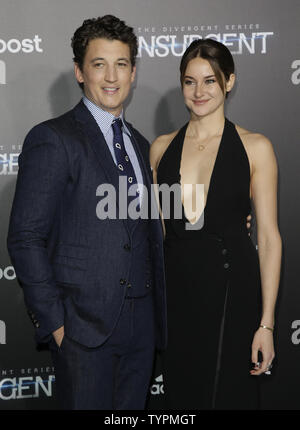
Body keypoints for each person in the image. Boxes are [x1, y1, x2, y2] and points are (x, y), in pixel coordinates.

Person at [7, 15, 167, 410]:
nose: (111, 76)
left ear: (133, 72)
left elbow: (145, 230)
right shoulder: (53, 138)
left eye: (122, 64)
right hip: (82, 332)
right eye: (99, 64)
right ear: (80, 71)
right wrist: (58, 326)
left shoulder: (142, 144)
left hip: (141, 331)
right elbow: (25, 237)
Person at [150, 38, 282, 409]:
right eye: (190, 81)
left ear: (229, 81)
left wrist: (267, 323)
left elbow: (269, 238)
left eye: (210, 80)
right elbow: (159, 235)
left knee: (228, 396)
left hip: (233, 295)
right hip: (178, 301)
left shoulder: (256, 147)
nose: (199, 91)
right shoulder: (161, 149)